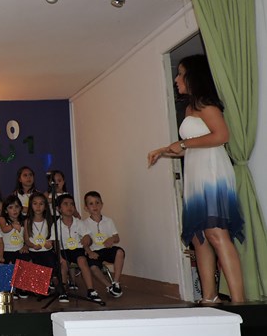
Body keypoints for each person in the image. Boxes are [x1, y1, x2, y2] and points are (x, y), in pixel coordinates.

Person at [148, 54, 245, 303]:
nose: (176, 79)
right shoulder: (190, 108)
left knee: (216, 234)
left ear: (194, 76)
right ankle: (209, 298)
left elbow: (221, 136)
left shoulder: (206, 105)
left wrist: (182, 144)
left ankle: (240, 302)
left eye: (180, 73)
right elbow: (189, 147)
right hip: (195, 173)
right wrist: (163, 150)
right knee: (198, 237)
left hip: (212, 173)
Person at [54, 194, 102, 304]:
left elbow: (87, 237)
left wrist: (87, 240)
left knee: (82, 260)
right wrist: (59, 256)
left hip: (77, 249)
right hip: (64, 250)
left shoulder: (79, 223)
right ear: (58, 208)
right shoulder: (56, 225)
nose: (69, 207)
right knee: (63, 264)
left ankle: (90, 290)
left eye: (72, 204)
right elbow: (55, 242)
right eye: (66, 204)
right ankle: (63, 290)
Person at [82, 191, 125, 298]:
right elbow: (84, 243)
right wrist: (89, 252)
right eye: (91, 203)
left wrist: (112, 239)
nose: (95, 206)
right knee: (93, 267)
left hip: (107, 249)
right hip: (94, 252)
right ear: (86, 208)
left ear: (102, 204)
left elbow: (117, 238)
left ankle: (116, 282)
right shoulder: (84, 224)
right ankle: (109, 286)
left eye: (97, 203)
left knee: (120, 252)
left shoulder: (108, 221)